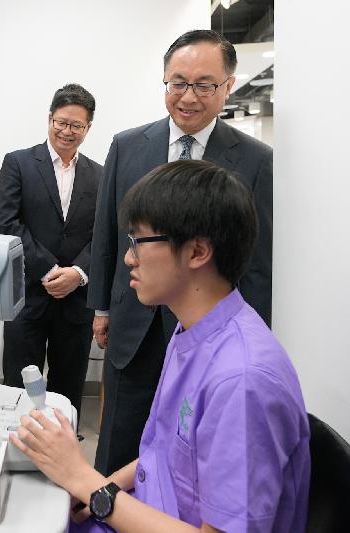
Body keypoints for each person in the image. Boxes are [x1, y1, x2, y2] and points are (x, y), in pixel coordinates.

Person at [11, 160, 309, 533]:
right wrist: (100, 487)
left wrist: (83, 479)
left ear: (197, 252)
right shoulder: (193, 330)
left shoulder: (242, 380)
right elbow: (164, 453)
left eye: (138, 242)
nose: (128, 258)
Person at [87, 29, 274, 475]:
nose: (188, 97)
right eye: (178, 83)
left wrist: (251, 337)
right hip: (134, 323)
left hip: (205, 330)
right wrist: (101, 308)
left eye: (204, 85)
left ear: (228, 86)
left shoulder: (255, 159)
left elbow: (257, 262)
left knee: (189, 451)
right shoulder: (128, 145)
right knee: (119, 440)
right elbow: (108, 234)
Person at [0, 83, 102, 417]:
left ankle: (63, 440)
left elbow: (104, 233)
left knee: (68, 386)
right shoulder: (18, 163)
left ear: (88, 128)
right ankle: (15, 440)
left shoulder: (100, 174)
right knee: (18, 384)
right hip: (27, 296)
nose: (67, 131)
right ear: (50, 118)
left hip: (76, 300)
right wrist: (49, 270)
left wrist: (78, 273)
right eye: (62, 122)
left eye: (76, 125)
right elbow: (7, 223)